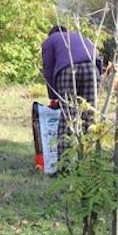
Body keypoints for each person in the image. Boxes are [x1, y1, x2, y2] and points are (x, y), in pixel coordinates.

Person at [41, 24, 102, 160]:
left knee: (68, 115)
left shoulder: (50, 41)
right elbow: (98, 58)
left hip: (68, 70)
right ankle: (89, 159)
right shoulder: (81, 36)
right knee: (90, 114)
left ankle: (64, 163)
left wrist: (53, 96)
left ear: (51, 34)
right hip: (92, 68)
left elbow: (48, 69)